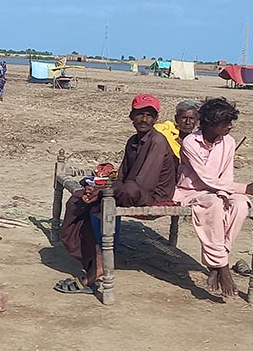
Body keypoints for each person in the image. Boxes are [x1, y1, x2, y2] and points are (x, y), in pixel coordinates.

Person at [56, 93, 177, 294]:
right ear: (132, 117)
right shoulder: (133, 141)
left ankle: (96, 268)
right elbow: (121, 176)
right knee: (78, 199)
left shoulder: (157, 141)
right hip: (131, 190)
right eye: (140, 114)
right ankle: (94, 260)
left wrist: (104, 190)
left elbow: (141, 185)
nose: (144, 119)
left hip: (152, 197)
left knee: (109, 193)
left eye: (149, 115)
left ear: (155, 119)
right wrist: (99, 188)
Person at [172, 97, 253, 299]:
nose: (230, 126)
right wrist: (246, 187)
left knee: (241, 204)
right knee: (214, 205)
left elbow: (226, 176)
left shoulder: (229, 142)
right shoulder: (191, 142)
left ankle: (215, 265)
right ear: (210, 122)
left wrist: (234, 192)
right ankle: (223, 268)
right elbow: (205, 177)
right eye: (225, 122)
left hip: (220, 189)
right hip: (193, 190)